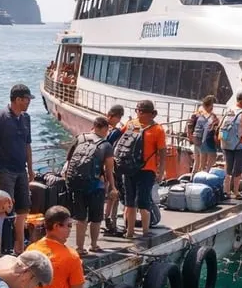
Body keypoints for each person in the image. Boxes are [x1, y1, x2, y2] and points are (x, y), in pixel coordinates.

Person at [0, 85, 36, 254]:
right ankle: (1, 248)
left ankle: (19, 247)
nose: (29, 102)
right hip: (4, 170)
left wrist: (30, 169)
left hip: (21, 170)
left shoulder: (26, 118)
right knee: (5, 209)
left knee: (23, 208)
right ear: (18, 99)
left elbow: (27, 145)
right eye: (27, 99)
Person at [63, 116, 115, 254]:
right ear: (104, 128)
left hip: (76, 183)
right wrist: (112, 187)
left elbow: (69, 160)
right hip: (96, 186)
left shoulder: (80, 138)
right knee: (96, 218)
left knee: (81, 218)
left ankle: (79, 248)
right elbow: (109, 170)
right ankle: (93, 245)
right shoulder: (106, 145)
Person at [122, 100, 166, 240]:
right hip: (147, 169)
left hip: (130, 168)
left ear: (140, 112)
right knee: (142, 202)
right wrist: (160, 171)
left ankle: (130, 232)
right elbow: (162, 153)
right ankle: (145, 232)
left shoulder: (130, 124)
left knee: (132, 202)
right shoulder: (157, 129)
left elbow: (119, 143)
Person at [220, 92, 242, 199]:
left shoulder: (229, 110)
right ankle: (236, 192)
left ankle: (226, 191)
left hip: (226, 143)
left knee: (228, 167)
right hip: (240, 144)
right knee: (238, 168)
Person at [102, 104, 127, 235]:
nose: (118, 121)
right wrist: (122, 129)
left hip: (103, 166)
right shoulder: (111, 130)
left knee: (110, 196)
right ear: (112, 116)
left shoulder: (100, 126)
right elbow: (109, 142)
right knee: (113, 195)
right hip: (108, 166)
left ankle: (108, 221)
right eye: (118, 118)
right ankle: (110, 222)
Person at [189, 97, 218, 175]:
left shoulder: (196, 114)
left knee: (197, 161)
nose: (212, 108)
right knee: (204, 162)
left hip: (196, 138)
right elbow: (215, 128)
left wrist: (190, 137)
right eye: (212, 105)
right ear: (210, 105)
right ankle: (202, 176)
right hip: (204, 140)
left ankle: (194, 176)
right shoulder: (211, 116)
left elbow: (190, 126)